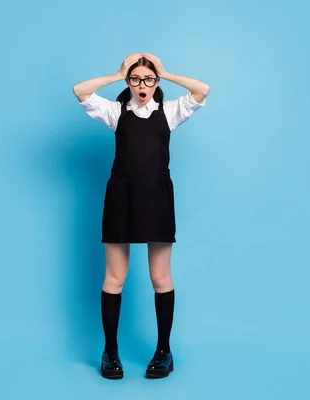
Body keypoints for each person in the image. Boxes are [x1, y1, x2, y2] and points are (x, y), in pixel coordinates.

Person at [72, 53, 210, 379]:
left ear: (156, 82)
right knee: (114, 278)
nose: (142, 85)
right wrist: (117, 72)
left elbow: (202, 90)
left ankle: (164, 351)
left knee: (160, 277)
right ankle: (110, 352)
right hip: (121, 199)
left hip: (157, 201)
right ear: (128, 83)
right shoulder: (116, 112)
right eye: (135, 79)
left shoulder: (170, 112)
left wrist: (165, 71)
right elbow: (80, 90)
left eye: (149, 79)